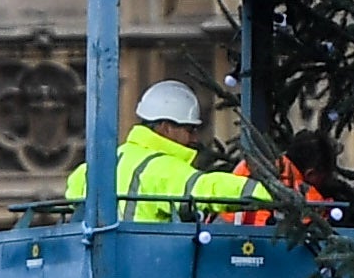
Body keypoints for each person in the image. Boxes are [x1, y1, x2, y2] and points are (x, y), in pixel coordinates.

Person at [60, 81, 262, 223]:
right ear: (166, 127)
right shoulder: (162, 168)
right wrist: (270, 192)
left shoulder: (97, 166)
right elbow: (208, 189)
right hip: (148, 271)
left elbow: (73, 189)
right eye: (189, 130)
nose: (195, 139)